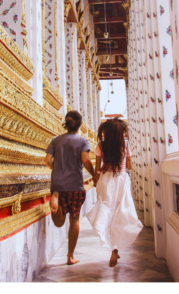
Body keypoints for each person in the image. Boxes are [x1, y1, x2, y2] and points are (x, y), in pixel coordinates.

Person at [86, 118, 143, 267]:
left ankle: (111, 243)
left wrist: (97, 181)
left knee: (107, 209)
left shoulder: (101, 145)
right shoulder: (124, 144)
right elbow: (129, 165)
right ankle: (115, 249)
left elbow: (97, 168)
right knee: (121, 211)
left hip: (106, 180)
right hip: (121, 179)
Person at [44, 110, 96, 265]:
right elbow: (85, 160)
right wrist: (94, 174)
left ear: (66, 125)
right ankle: (70, 256)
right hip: (75, 186)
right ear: (79, 126)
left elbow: (46, 160)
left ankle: (56, 198)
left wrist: (57, 167)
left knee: (59, 222)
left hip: (58, 184)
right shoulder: (83, 141)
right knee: (74, 219)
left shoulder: (55, 140)